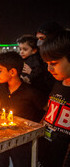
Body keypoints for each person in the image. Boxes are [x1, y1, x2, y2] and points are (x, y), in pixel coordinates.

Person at [0, 52, 48, 167]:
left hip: (22, 142)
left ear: (12, 72)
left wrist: (39, 126)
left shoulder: (30, 92)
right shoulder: (2, 88)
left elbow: (47, 109)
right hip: (2, 136)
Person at [38, 30, 70, 167]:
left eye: (54, 63)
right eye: (46, 63)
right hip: (46, 150)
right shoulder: (58, 84)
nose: (49, 68)